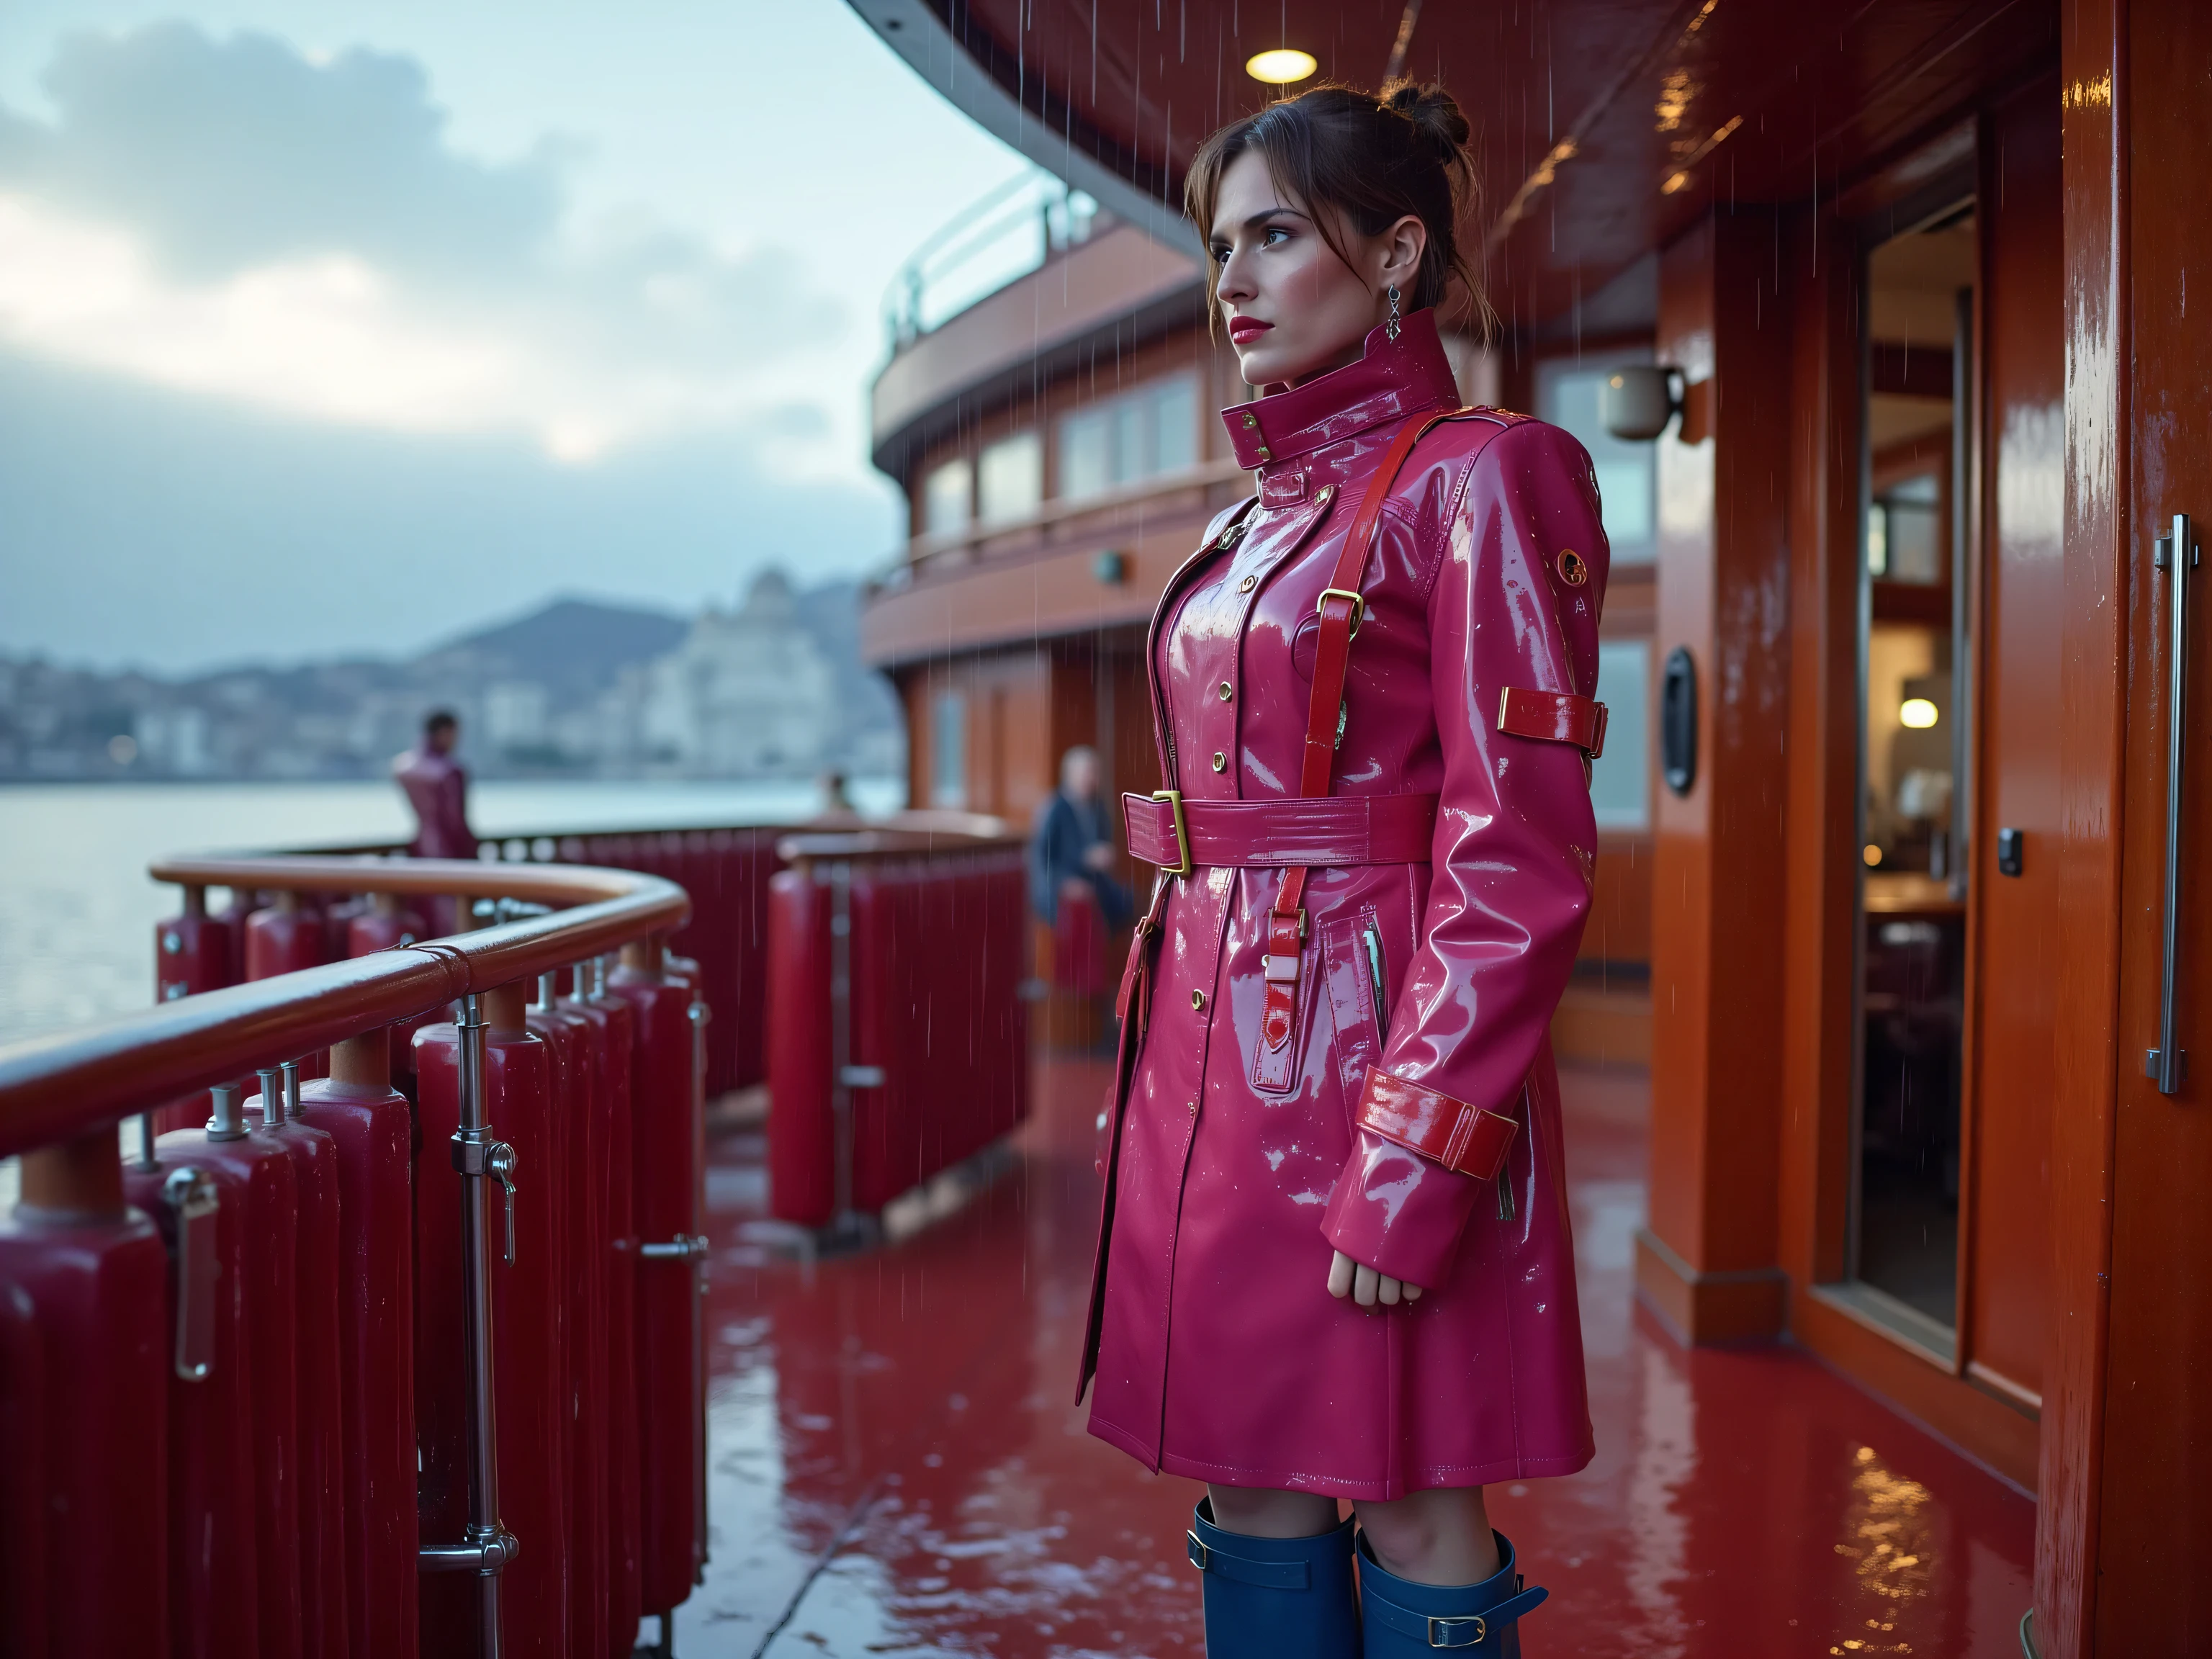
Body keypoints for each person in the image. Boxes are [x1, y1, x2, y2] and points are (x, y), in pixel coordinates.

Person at [1081, 81, 1609, 1659]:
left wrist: (1420, 1160)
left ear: (1395, 256)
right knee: (1255, 1482)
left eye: (1275, 238)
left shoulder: (1487, 473)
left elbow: (1516, 853)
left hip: (1371, 1050)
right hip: (1215, 1050)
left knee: (1417, 1492)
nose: (1230, 281)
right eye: (1218, 244)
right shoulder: (1258, 514)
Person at [1028, 745, 1133, 932]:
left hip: (1093, 880)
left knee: (1131, 901)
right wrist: (1064, 882)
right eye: (1088, 772)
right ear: (1070, 775)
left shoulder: (1098, 807)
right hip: (1060, 882)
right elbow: (1042, 858)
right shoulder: (1054, 809)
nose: (1092, 779)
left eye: (1095, 773)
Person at [393, 710, 476, 861]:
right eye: (454, 734)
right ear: (444, 732)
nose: (456, 740)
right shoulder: (450, 771)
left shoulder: (403, 766)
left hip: (420, 846)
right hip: (452, 850)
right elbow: (455, 819)